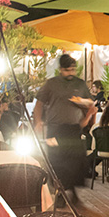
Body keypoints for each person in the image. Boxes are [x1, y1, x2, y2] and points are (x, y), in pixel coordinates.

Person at [34, 54, 96, 195]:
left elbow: (89, 102)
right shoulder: (52, 84)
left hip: (74, 128)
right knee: (57, 161)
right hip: (55, 128)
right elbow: (39, 103)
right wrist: (38, 121)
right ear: (61, 69)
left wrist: (86, 105)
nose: (70, 73)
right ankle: (59, 192)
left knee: (75, 161)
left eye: (73, 70)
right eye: (67, 70)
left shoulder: (80, 84)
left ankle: (72, 191)